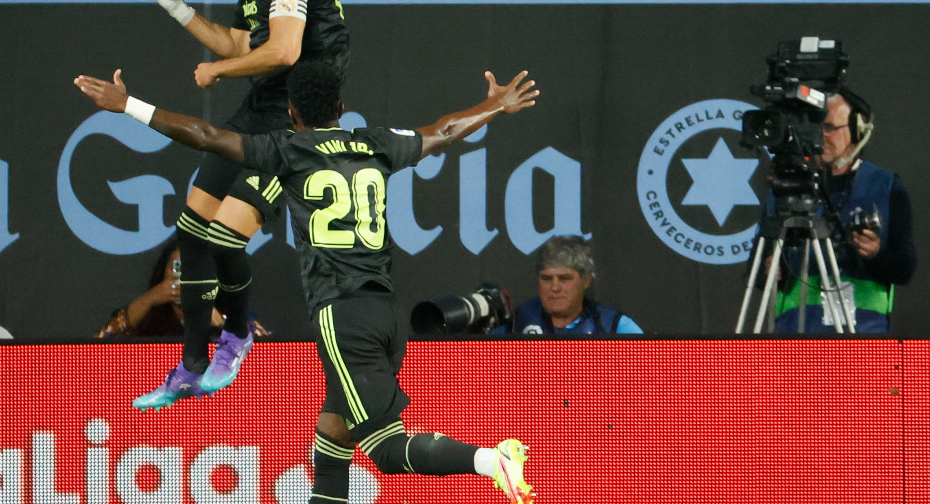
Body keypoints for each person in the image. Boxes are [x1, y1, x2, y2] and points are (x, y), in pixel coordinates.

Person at [75, 61, 539, 503]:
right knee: (332, 439)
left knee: (385, 451)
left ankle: (491, 460)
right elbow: (443, 131)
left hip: (343, 315)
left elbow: (205, 135)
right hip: (384, 312)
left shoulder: (286, 149)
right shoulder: (375, 142)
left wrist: (129, 104)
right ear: (340, 109)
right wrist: (496, 105)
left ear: (292, 113)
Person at [142, 0, 350, 399]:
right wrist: (177, 9)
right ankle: (191, 365)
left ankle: (236, 335)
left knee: (223, 239)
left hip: (292, 124)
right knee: (190, 230)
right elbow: (242, 43)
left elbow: (284, 50)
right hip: (257, 111)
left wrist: (216, 72)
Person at [769, 89, 916, 333]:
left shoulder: (887, 187)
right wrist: (771, 269)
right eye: (815, 127)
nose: (819, 137)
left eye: (828, 127)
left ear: (857, 131)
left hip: (862, 344)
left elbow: (904, 269)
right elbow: (758, 272)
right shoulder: (787, 186)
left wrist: (876, 253)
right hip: (793, 344)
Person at [94, 240, 271, 339]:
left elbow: (268, 352)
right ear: (163, 272)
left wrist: (221, 324)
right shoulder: (144, 316)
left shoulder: (233, 315)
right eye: (177, 268)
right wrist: (148, 300)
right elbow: (98, 344)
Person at [510, 235, 643, 335]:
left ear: (586, 280)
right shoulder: (516, 322)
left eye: (564, 279)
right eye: (546, 278)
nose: (554, 287)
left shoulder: (612, 325)